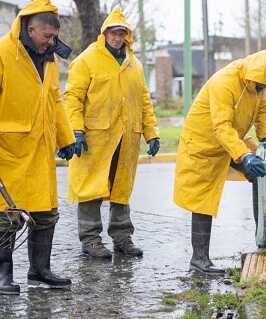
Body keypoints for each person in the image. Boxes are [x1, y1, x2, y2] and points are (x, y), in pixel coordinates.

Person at [174, 49, 266, 274]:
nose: (262, 89)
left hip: (232, 140)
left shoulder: (257, 83)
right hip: (203, 143)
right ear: (252, 73)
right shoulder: (224, 83)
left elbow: (263, 112)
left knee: (262, 175)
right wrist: (244, 156)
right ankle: (199, 260)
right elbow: (221, 126)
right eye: (260, 84)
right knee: (202, 199)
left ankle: (264, 239)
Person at [64, 6, 159, 259]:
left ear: (127, 36)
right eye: (113, 33)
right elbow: (73, 97)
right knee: (90, 188)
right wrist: (76, 130)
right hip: (95, 138)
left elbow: (144, 101)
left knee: (121, 188)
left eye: (121, 33)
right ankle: (91, 239)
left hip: (127, 137)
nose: (117, 37)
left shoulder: (134, 65)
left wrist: (152, 133)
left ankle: (122, 237)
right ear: (104, 33)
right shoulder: (86, 60)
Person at [0, 0, 75, 295]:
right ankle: (3, 275)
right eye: (47, 36)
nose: (52, 42)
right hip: (8, 151)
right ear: (29, 29)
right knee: (6, 217)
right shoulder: (3, 55)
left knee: (46, 213)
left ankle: (40, 270)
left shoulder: (49, 59)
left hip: (40, 150)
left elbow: (55, 101)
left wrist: (66, 137)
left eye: (54, 36)